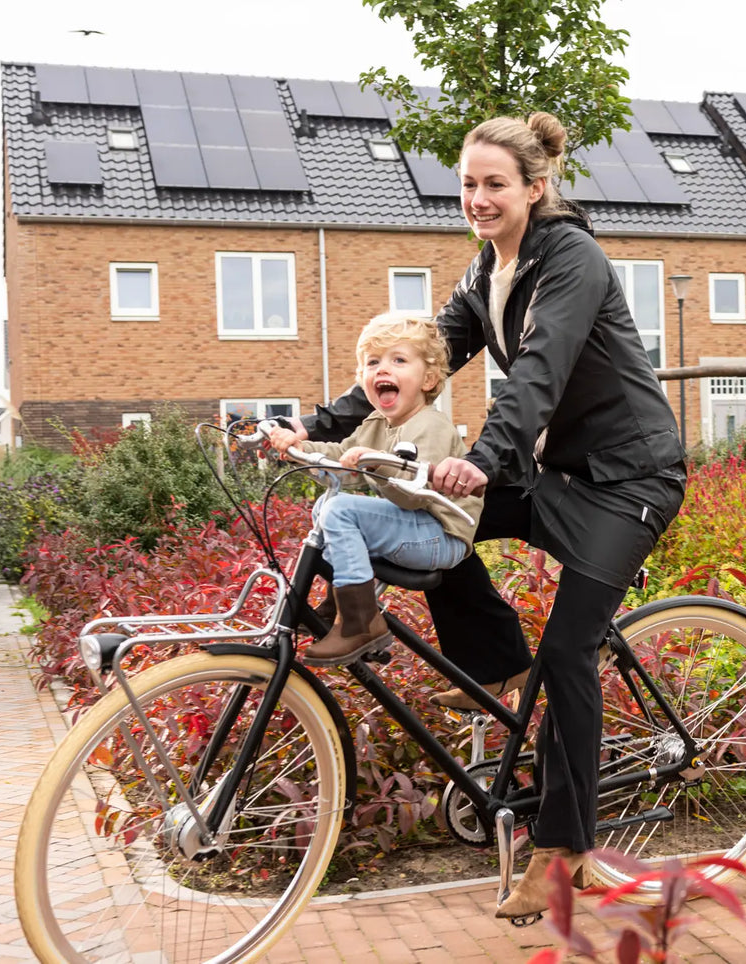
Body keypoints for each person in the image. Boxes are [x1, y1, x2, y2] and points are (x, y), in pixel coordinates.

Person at [283, 111, 686, 919]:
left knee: (568, 652)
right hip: (560, 475)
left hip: (630, 478)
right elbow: (421, 356)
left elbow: (536, 374)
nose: (477, 197)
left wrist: (486, 457)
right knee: (437, 516)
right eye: (467, 184)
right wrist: (316, 427)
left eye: (494, 184)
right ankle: (498, 668)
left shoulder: (570, 259)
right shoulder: (485, 272)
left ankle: (562, 853)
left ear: (535, 190)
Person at [268, 314, 482, 666]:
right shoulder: (377, 423)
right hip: (415, 526)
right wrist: (298, 449)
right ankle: (344, 604)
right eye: (373, 362)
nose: (383, 369)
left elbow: (412, 493)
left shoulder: (430, 424)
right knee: (327, 504)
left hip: (440, 534)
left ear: (428, 379)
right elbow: (343, 464)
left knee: (341, 511)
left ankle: (361, 621)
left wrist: (377, 461)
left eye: (398, 360)